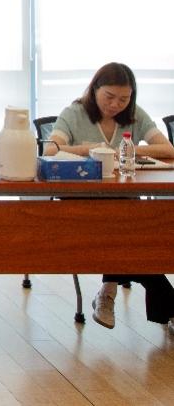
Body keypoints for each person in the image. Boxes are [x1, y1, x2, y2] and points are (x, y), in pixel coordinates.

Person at [46, 62, 174, 332]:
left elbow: (167, 149)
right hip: (80, 202)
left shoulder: (134, 115)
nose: (116, 104)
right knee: (127, 231)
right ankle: (114, 293)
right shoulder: (75, 112)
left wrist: (126, 150)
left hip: (122, 199)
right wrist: (91, 149)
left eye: (124, 99)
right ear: (94, 90)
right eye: (109, 97)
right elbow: (51, 148)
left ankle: (108, 291)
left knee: (129, 224)